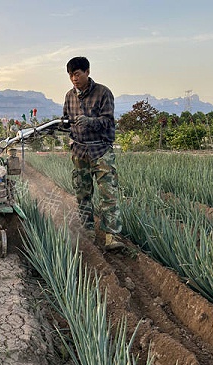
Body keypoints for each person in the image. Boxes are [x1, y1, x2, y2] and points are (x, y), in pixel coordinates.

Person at [61, 56, 123, 251]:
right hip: (79, 151)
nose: (74, 79)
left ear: (87, 72)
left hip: (100, 150)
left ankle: (111, 235)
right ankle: (87, 230)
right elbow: (65, 120)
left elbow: (108, 121)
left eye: (77, 74)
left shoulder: (103, 93)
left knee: (108, 193)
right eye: (71, 75)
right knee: (82, 192)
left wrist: (90, 121)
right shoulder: (69, 96)